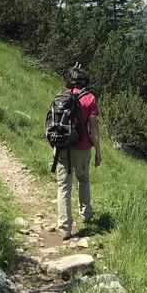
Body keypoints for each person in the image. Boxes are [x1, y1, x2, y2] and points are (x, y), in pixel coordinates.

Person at [56, 65, 102, 240]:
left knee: (63, 186)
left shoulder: (61, 95)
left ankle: (64, 228)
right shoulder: (89, 99)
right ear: (85, 81)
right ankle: (86, 214)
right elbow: (93, 132)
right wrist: (97, 151)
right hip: (82, 148)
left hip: (62, 147)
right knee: (83, 179)